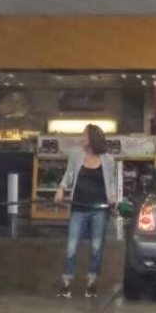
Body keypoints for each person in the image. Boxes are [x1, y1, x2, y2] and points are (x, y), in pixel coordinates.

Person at [54, 124, 117, 299]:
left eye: (85, 136)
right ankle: (66, 284)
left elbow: (110, 183)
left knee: (96, 248)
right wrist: (61, 189)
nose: (82, 138)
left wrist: (112, 200)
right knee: (71, 247)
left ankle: (91, 284)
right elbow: (69, 175)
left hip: (99, 211)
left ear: (93, 139)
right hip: (78, 209)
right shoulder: (76, 156)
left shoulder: (108, 160)